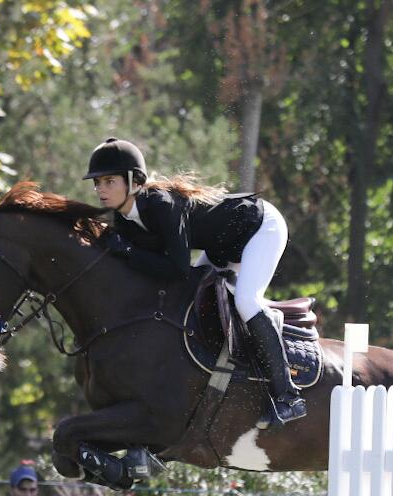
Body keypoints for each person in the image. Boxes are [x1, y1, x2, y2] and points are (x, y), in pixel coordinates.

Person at [84, 136, 307, 427]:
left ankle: (289, 396)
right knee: (187, 298)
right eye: (97, 183)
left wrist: (126, 252)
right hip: (221, 246)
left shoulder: (161, 204)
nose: (101, 189)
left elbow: (176, 268)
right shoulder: (124, 219)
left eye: (109, 181)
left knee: (245, 300)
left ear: (134, 181)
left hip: (258, 227)